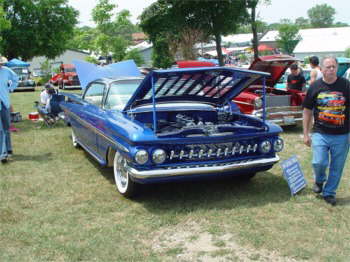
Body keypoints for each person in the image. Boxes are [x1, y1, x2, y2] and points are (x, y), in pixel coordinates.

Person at [302, 57, 350, 206]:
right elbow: (307, 111)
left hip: (342, 135)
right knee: (319, 161)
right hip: (320, 133)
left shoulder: (346, 85)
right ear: (321, 69)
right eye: (328, 67)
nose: (331, 69)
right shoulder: (315, 86)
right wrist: (305, 133)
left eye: (334, 67)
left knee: (337, 166)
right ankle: (320, 179)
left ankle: (329, 193)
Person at [0, 56, 19, 163]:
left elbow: (16, 79)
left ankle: (9, 149)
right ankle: (3, 154)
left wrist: (10, 88)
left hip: (5, 103)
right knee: (1, 129)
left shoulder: (7, 71)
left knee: (6, 127)